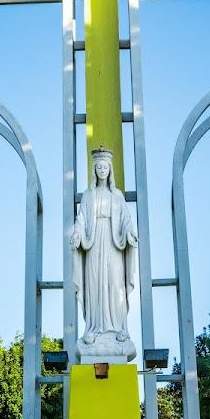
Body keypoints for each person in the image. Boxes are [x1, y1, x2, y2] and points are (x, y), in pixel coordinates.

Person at [70, 146, 138, 351]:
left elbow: (126, 218)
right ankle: (95, 327)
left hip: (113, 243)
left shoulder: (117, 195)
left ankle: (117, 327)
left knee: (115, 283)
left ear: (110, 170)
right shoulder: (88, 195)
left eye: (105, 167)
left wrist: (129, 232)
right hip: (93, 243)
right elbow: (81, 218)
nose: (102, 170)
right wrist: (77, 233)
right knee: (95, 284)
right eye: (98, 167)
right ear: (94, 170)